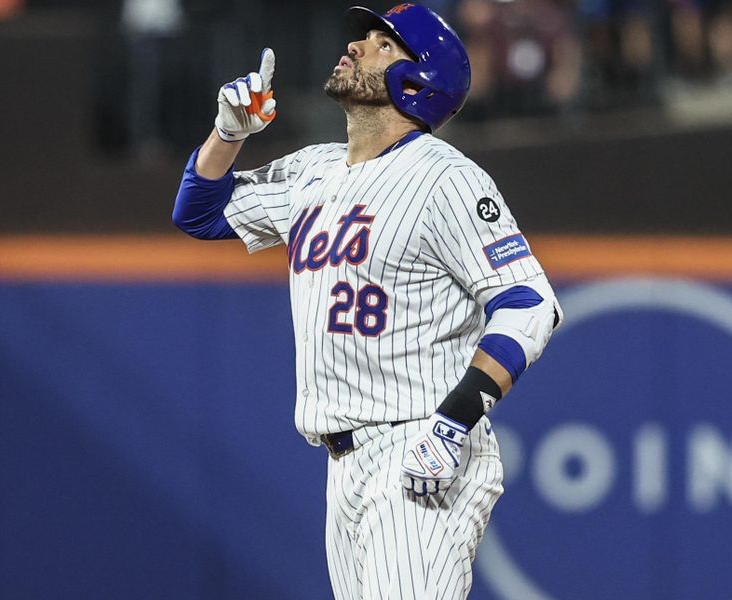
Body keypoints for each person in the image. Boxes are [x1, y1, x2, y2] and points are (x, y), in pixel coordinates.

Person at [172, 4, 562, 598]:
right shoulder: (315, 169)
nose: (357, 45)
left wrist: (456, 420)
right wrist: (228, 134)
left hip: (423, 444)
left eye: (384, 44)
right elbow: (198, 214)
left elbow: (531, 304)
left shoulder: (445, 177)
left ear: (420, 80)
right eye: (365, 36)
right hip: (344, 461)